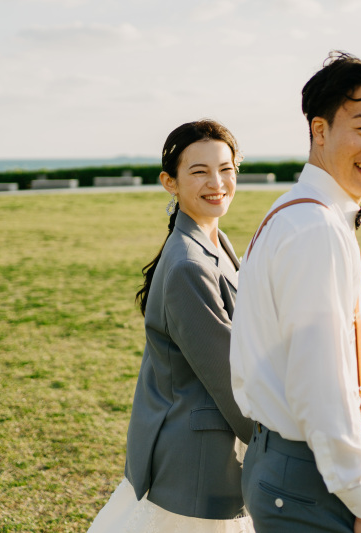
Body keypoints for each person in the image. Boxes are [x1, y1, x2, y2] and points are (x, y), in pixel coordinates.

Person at [229, 52, 361, 533]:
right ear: (319, 130)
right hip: (311, 481)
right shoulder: (315, 228)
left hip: (285, 467)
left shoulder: (295, 211)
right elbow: (319, 381)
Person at [87, 119, 255, 533]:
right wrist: (294, 448)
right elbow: (230, 379)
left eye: (226, 169)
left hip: (206, 449)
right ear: (170, 182)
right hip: (195, 460)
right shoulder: (186, 265)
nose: (217, 182)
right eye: (199, 171)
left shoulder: (215, 239)